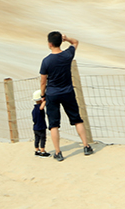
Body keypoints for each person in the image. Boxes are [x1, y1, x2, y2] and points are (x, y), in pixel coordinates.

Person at [39, 31, 92, 161]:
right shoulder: (67, 55)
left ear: (50, 44)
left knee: (54, 125)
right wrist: (66, 38)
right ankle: (86, 146)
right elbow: (75, 42)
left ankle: (58, 152)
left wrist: (42, 95)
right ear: (60, 42)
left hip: (52, 94)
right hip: (67, 92)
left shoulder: (46, 61)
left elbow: (43, 81)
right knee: (77, 119)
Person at [31, 90, 49, 157]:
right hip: (41, 127)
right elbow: (41, 107)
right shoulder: (39, 107)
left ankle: (36, 150)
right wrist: (45, 100)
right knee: (43, 138)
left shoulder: (34, 109)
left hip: (35, 127)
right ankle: (42, 151)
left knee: (37, 139)